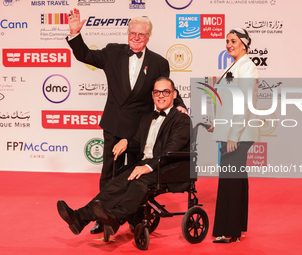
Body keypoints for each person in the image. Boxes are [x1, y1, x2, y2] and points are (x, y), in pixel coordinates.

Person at [66, 8, 187, 234]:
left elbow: (166, 87)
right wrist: (75, 35)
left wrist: (180, 105)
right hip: (114, 123)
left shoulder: (159, 62)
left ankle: (133, 217)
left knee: (136, 172)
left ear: (148, 37)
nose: (136, 38)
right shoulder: (113, 52)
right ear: (127, 34)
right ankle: (100, 217)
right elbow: (86, 56)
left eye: (141, 34)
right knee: (110, 172)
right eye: (132, 33)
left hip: (140, 129)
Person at [57, 77, 191, 241]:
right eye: (157, 92)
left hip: (169, 167)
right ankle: (79, 218)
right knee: (116, 183)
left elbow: (172, 148)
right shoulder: (147, 118)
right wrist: (126, 141)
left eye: (165, 92)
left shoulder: (182, 119)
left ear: (174, 94)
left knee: (138, 181)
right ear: (152, 95)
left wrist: (148, 167)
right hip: (145, 163)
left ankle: (116, 218)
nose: (161, 96)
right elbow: (139, 142)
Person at [207, 28, 260, 243]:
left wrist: (233, 136)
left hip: (238, 134)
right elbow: (229, 103)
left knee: (229, 180)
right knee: (236, 179)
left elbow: (244, 105)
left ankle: (227, 231)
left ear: (245, 44)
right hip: (230, 130)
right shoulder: (236, 65)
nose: (229, 44)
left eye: (233, 41)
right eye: (227, 41)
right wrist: (217, 124)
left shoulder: (247, 68)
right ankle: (237, 228)